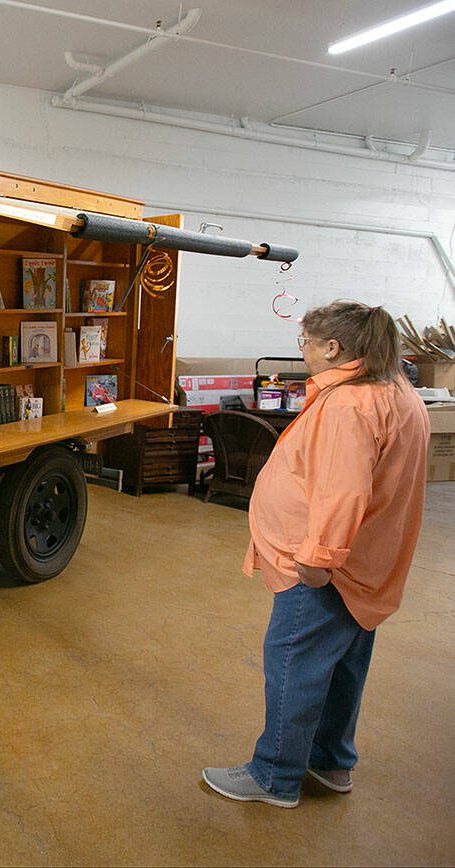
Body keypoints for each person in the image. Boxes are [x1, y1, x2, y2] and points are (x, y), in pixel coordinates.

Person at [202, 300, 430, 808]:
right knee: (343, 664)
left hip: (328, 567)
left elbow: (342, 490)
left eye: (303, 343)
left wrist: (318, 556)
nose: (300, 352)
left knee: (293, 662)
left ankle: (274, 776)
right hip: (367, 563)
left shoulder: (350, 404)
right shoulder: (395, 390)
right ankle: (330, 761)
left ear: (333, 348)